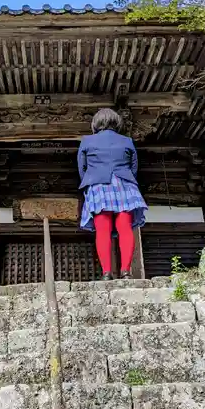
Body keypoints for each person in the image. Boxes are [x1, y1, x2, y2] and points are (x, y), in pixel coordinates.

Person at [78, 108, 147, 280]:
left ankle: (107, 272)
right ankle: (125, 271)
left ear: (96, 123)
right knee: (125, 228)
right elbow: (134, 167)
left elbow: (82, 168)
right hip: (124, 183)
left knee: (103, 230)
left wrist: (91, 182)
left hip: (98, 184)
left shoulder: (87, 141)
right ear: (116, 122)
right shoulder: (127, 141)